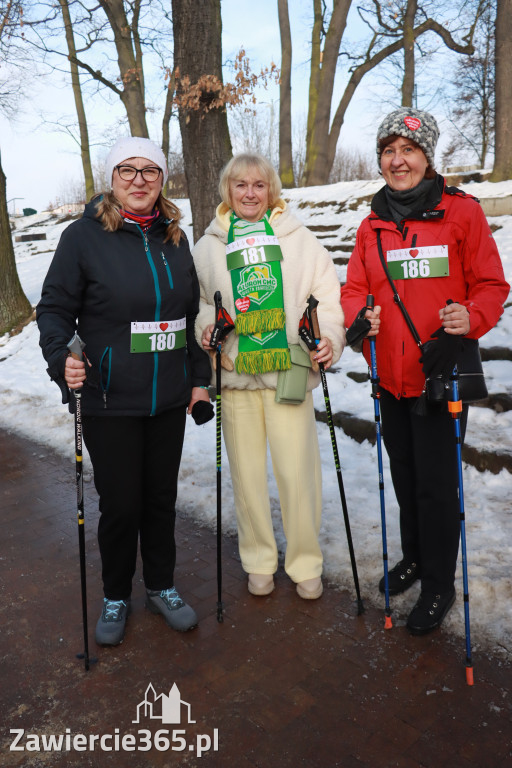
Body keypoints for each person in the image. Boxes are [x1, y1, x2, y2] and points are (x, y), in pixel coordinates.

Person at [37, 137, 212, 646]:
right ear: (112, 179)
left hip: (167, 399)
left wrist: (198, 380)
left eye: (150, 170)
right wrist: (60, 358)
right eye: (128, 170)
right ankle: (116, 593)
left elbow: (188, 316)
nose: (139, 180)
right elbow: (53, 311)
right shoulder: (82, 238)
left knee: (160, 499)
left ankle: (161, 586)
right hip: (110, 397)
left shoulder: (175, 239)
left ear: (162, 179)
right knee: (121, 504)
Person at [341, 108, 509, 635]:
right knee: (405, 475)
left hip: (442, 377)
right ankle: (413, 555)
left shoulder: (462, 214)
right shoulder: (371, 226)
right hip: (389, 377)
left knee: (437, 486)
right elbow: (352, 289)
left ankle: (438, 581)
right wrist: (358, 317)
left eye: (408, 150)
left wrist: (470, 316)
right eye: (389, 152)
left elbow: (491, 286)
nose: (398, 161)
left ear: (427, 156)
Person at [192, 153, 345, 600]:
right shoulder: (209, 246)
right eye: (240, 185)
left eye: (259, 185)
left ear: (271, 190)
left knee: (298, 475)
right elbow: (200, 302)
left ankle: (304, 562)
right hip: (236, 376)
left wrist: (328, 338)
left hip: (289, 374)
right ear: (227, 191)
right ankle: (258, 559)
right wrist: (207, 326)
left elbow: (327, 299)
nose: (250, 193)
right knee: (247, 477)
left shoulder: (299, 240)